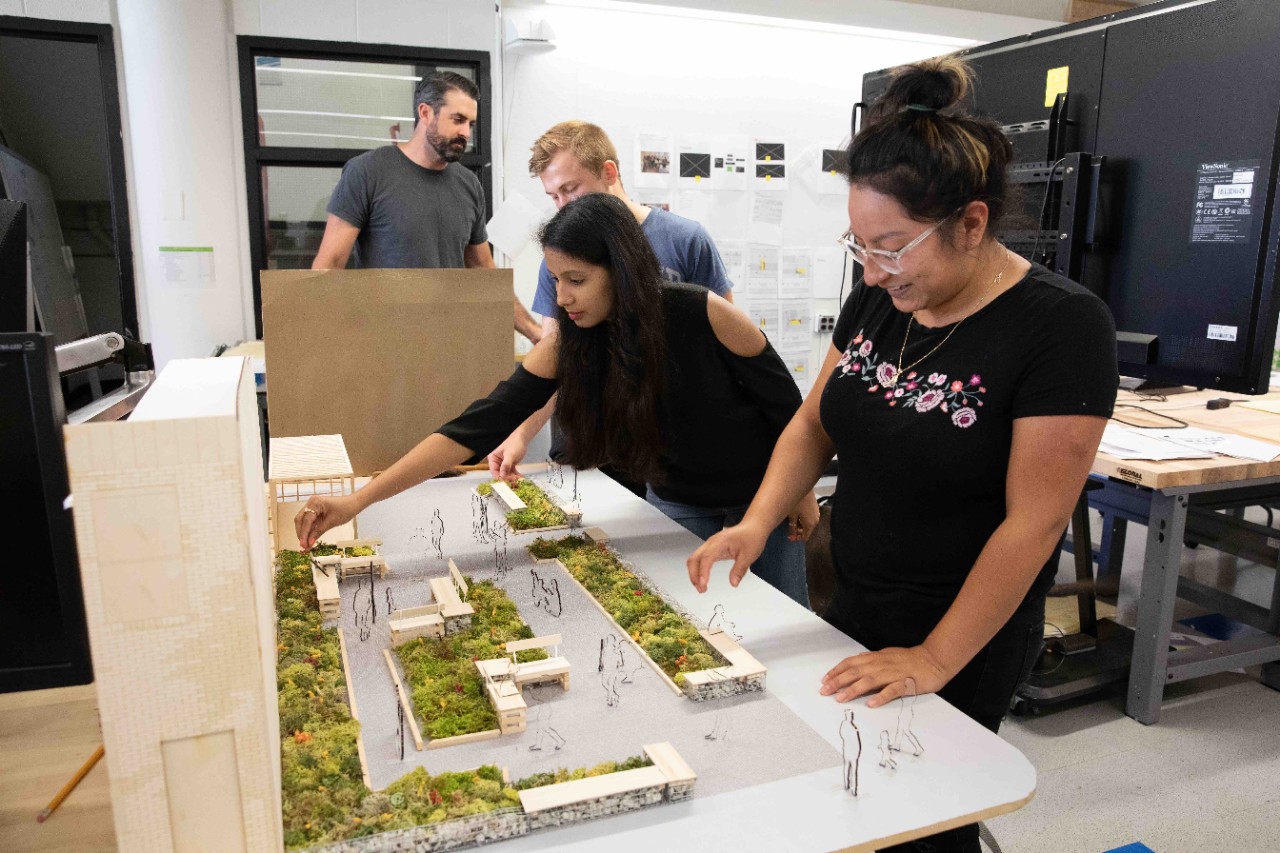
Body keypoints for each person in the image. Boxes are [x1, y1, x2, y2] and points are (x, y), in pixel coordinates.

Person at [686, 56, 1117, 853]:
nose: (874, 271)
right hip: (853, 595)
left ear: (973, 223)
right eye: (860, 247)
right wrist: (757, 520)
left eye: (893, 247)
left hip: (962, 623)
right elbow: (815, 422)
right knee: (845, 799)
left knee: (920, 823)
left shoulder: (1061, 326)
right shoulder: (879, 299)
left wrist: (932, 657)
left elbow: (1035, 519)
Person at [296, 193, 816, 606]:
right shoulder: (571, 341)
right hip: (677, 499)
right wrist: (356, 502)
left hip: (761, 498)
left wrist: (801, 491)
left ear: (622, 270)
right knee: (698, 618)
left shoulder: (706, 314)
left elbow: (792, 413)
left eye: (577, 280)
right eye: (555, 280)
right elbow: (470, 429)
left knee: (783, 616)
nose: (561, 298)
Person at [492, 121, 736, 503]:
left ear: (609, 172)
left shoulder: (685, 240)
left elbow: (727, 353)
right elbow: (555, 357)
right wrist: (520, 434)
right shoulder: (558, 258)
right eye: (553, 196)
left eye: (570, 189)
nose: (563, 207)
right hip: (586, 444)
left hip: (664, 448)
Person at [312, 71, 541, 343]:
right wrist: (329, 346)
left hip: (449, 345)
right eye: (457, 120)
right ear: (425, 113)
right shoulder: (368, 172)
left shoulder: (468, 185)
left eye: (470, 123)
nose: (465, 132)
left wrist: (535, 332)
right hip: (383, 345)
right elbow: (329, 266)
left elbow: (484, 271)